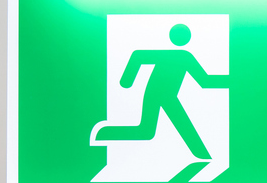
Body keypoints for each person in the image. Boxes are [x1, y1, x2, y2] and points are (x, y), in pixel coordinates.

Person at [94, 25, 227, 160]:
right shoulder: (183, 56)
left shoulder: (184, 56)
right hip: (157, 95)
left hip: (165, 96)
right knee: (149, 130)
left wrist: (127, 81)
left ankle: (104, 133)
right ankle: (203, 155)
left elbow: (204, 81)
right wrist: (127, 80)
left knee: (146, 131)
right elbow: (138, 55)